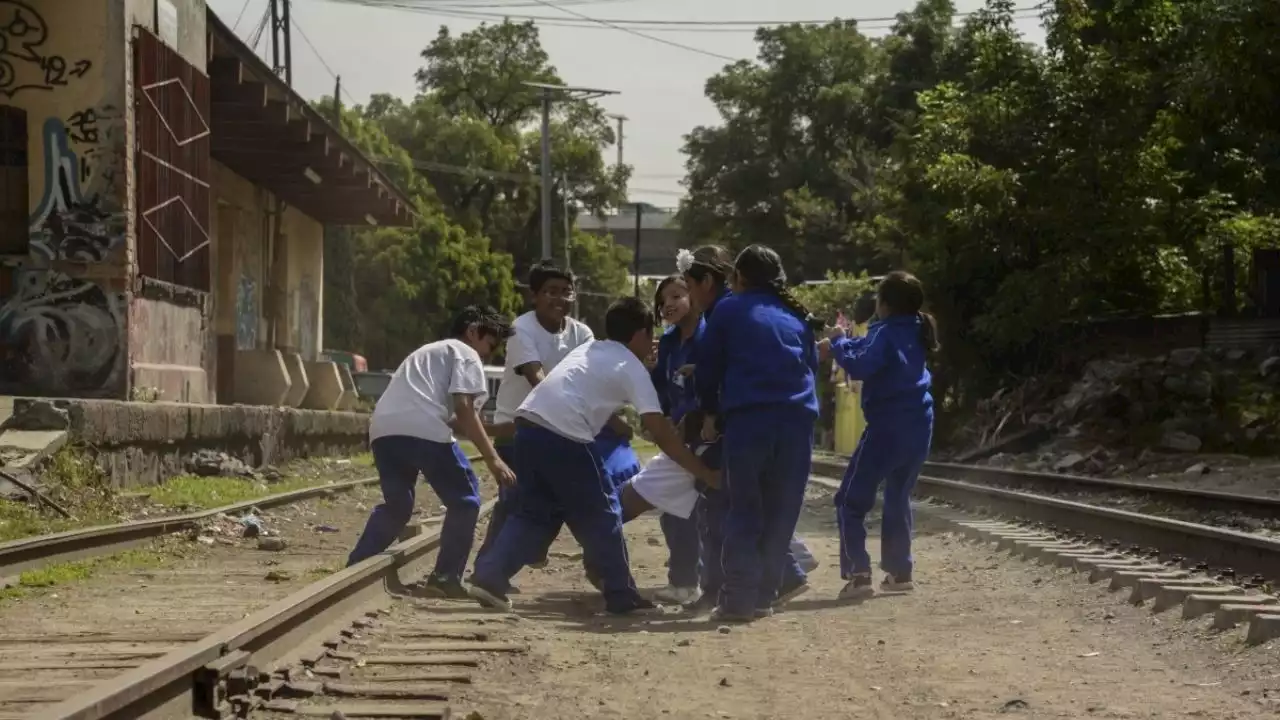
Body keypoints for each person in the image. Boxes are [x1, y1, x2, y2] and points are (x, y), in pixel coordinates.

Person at [468, 297, 720, 616]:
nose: (653, 342)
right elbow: (661, 432)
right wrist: (704, 472)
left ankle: (489, 576)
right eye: (650, 334)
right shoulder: (630, 366)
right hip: (563, 434)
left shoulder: (587, 350)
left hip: (528, 429)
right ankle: (621, 595)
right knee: (604, 512)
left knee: (535, 513)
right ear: (639, 335)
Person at [472, 261, 639, 590]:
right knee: (515, 501)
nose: (559, 299)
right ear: (535, 296)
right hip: (519, 428)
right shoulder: (522, 329)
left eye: (566, 292)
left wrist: (613, 419)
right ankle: (488, 570)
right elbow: (539, 381)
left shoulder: (582, 333)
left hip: (561, 432)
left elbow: (591, 382)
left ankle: (496, 570)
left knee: (545, 504)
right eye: (550, 292)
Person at [676, 245, 816, 616]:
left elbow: (708, 367)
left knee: (744, 511)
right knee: (780, 514)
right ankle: (763, 598)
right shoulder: (797, 316)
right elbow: (810, 368)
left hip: (750, 422)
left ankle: (738, 600)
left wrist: (708, 410)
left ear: (738, 278)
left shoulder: (729, 310)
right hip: (798, 423)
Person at [346, 306, 517, 598]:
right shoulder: (465, 352)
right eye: (490, 344)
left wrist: (499, 430)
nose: (488, 354)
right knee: (465, 500)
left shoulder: (428, 352)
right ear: (473, 332)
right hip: (422, 427)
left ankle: (356, 566)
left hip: (384, 430)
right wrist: (494, 459)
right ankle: (445, 576)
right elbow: (464, 409)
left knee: (398, 506)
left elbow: (456, 420)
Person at [826, 271, 937, 599]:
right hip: (920, 423)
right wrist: (843, 340)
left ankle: (859, 574)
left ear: (885, 304)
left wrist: (836, 341)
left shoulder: (885, 331)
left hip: (888, 426)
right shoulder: (918, 328)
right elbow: (867, 347)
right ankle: (900, 571)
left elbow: (859, 365)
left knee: (849, 500)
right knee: (897, 496)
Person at [641, 275, 705, 605]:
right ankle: (684, 580)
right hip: (678, 434)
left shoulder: (710, 335)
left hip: (703, 434)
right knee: (677, 509)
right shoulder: (668, 343)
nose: (668, 304)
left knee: (688, 509)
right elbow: (661, 386)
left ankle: (687, 581)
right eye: (663, 300)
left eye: (677, 295)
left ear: (694, 295)